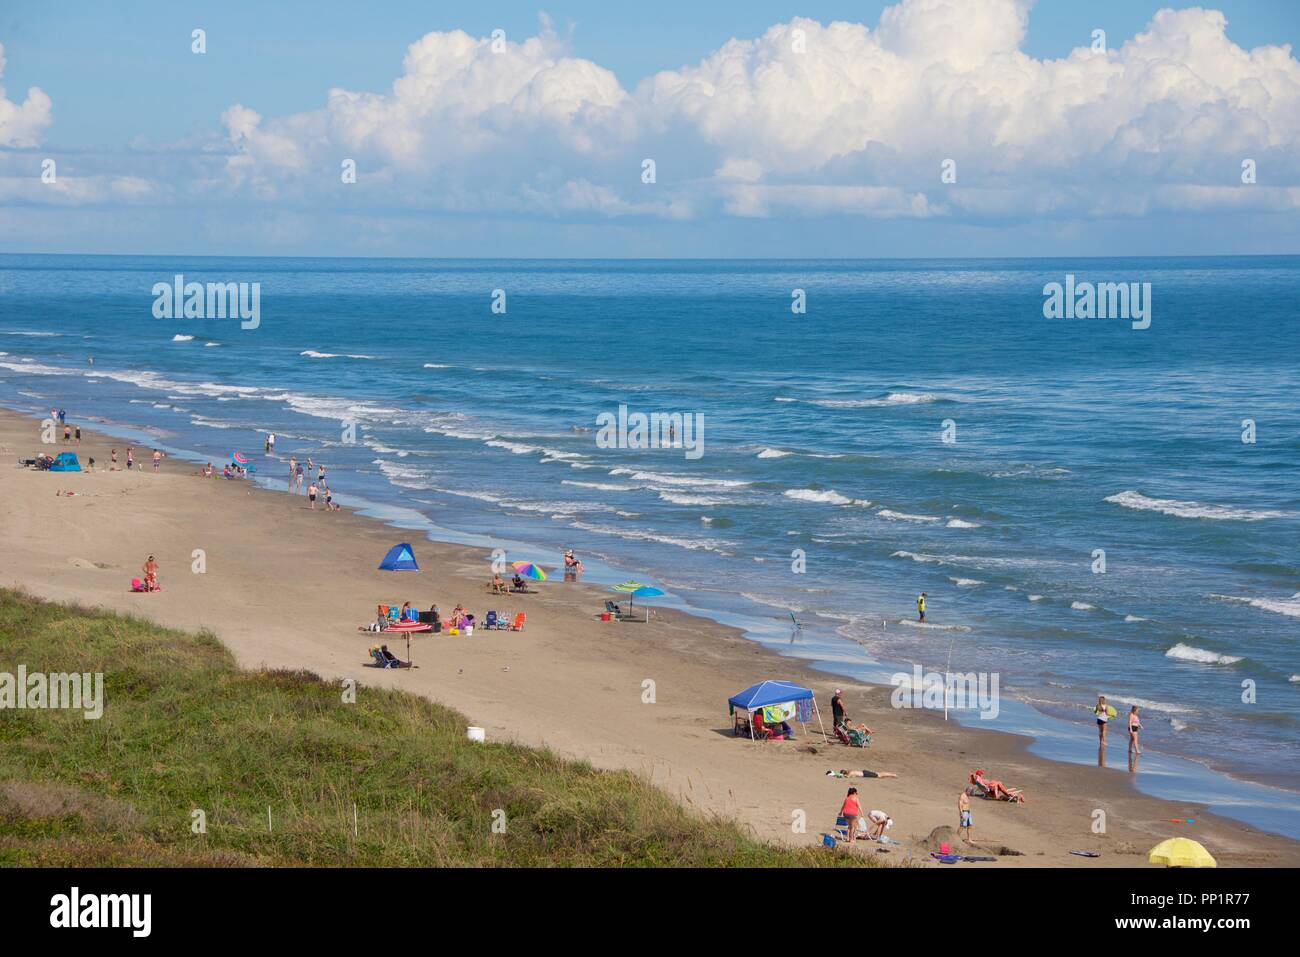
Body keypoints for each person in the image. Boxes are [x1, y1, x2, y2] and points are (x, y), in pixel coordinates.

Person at [825, 769, 898, 779]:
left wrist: (834, 774)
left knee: (879, 775)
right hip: (864, 772)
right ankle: (892, 775)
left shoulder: (850, 773)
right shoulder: (850, 771)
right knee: (879, 774)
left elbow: (846, 776)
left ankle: (893, 775)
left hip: (865, 774)